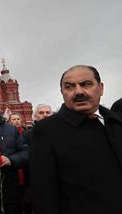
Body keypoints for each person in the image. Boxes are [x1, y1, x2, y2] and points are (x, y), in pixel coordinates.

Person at [30, 65, 122, 213]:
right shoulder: (47, 130)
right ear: (62, 93)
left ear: (101, 88)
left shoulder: (116, 122)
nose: (78, 92)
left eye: (86, 84)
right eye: (70, 87)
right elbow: (43, 192)